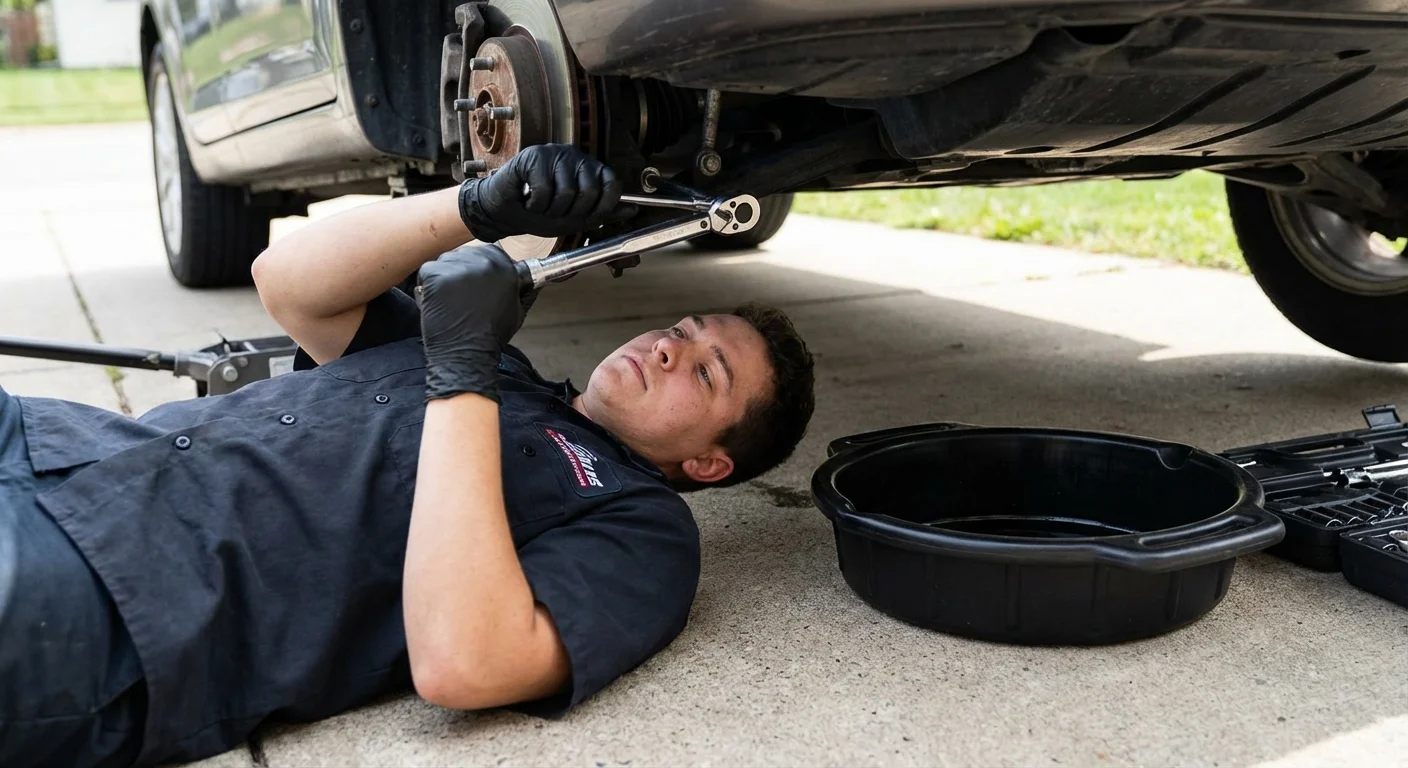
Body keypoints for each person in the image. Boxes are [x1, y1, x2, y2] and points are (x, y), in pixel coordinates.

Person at [0, 144, 816, 768]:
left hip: (112, 599)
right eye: (681, 332)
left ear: (711, 463)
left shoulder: (646, 532)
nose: (670, 350)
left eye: (707, 373)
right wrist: (478, 206)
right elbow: (287, 278)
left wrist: (458, 369)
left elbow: (465, 662)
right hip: (55, 445)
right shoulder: (504, 366)